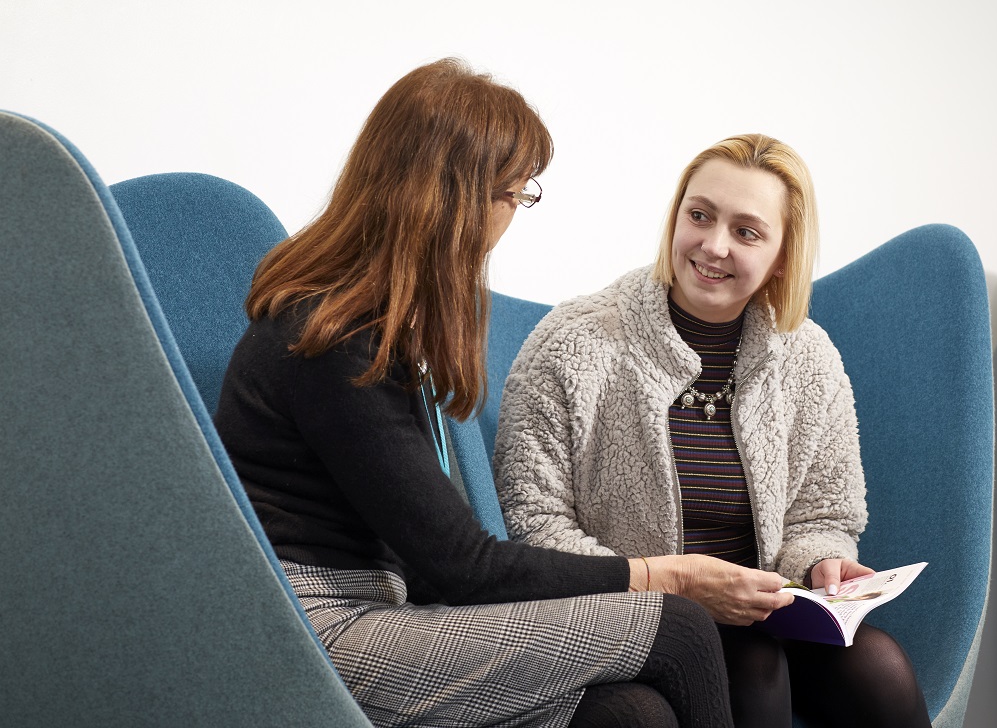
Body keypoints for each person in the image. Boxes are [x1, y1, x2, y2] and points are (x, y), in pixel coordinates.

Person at [214, 60, 788, 728]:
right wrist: (670, 576)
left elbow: (438, 565)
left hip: (385, 607)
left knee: (632, 714)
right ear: (454, 198)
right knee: (681, 626)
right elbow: (462, 566)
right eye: (513, 194)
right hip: (315, 635)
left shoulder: (372, 325)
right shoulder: (331, 338)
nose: (514, 215)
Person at [494, 134, 931, 728]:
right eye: (699, 216)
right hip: (633, 616)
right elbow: (533, 523)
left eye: (747, 232)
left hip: (767, 612)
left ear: (782, 254)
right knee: (754, 670)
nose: (713, 245)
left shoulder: (808, 358)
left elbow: (823, 515)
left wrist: (822, 564)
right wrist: (672, 590)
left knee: (879, 666)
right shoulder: (572, 343)